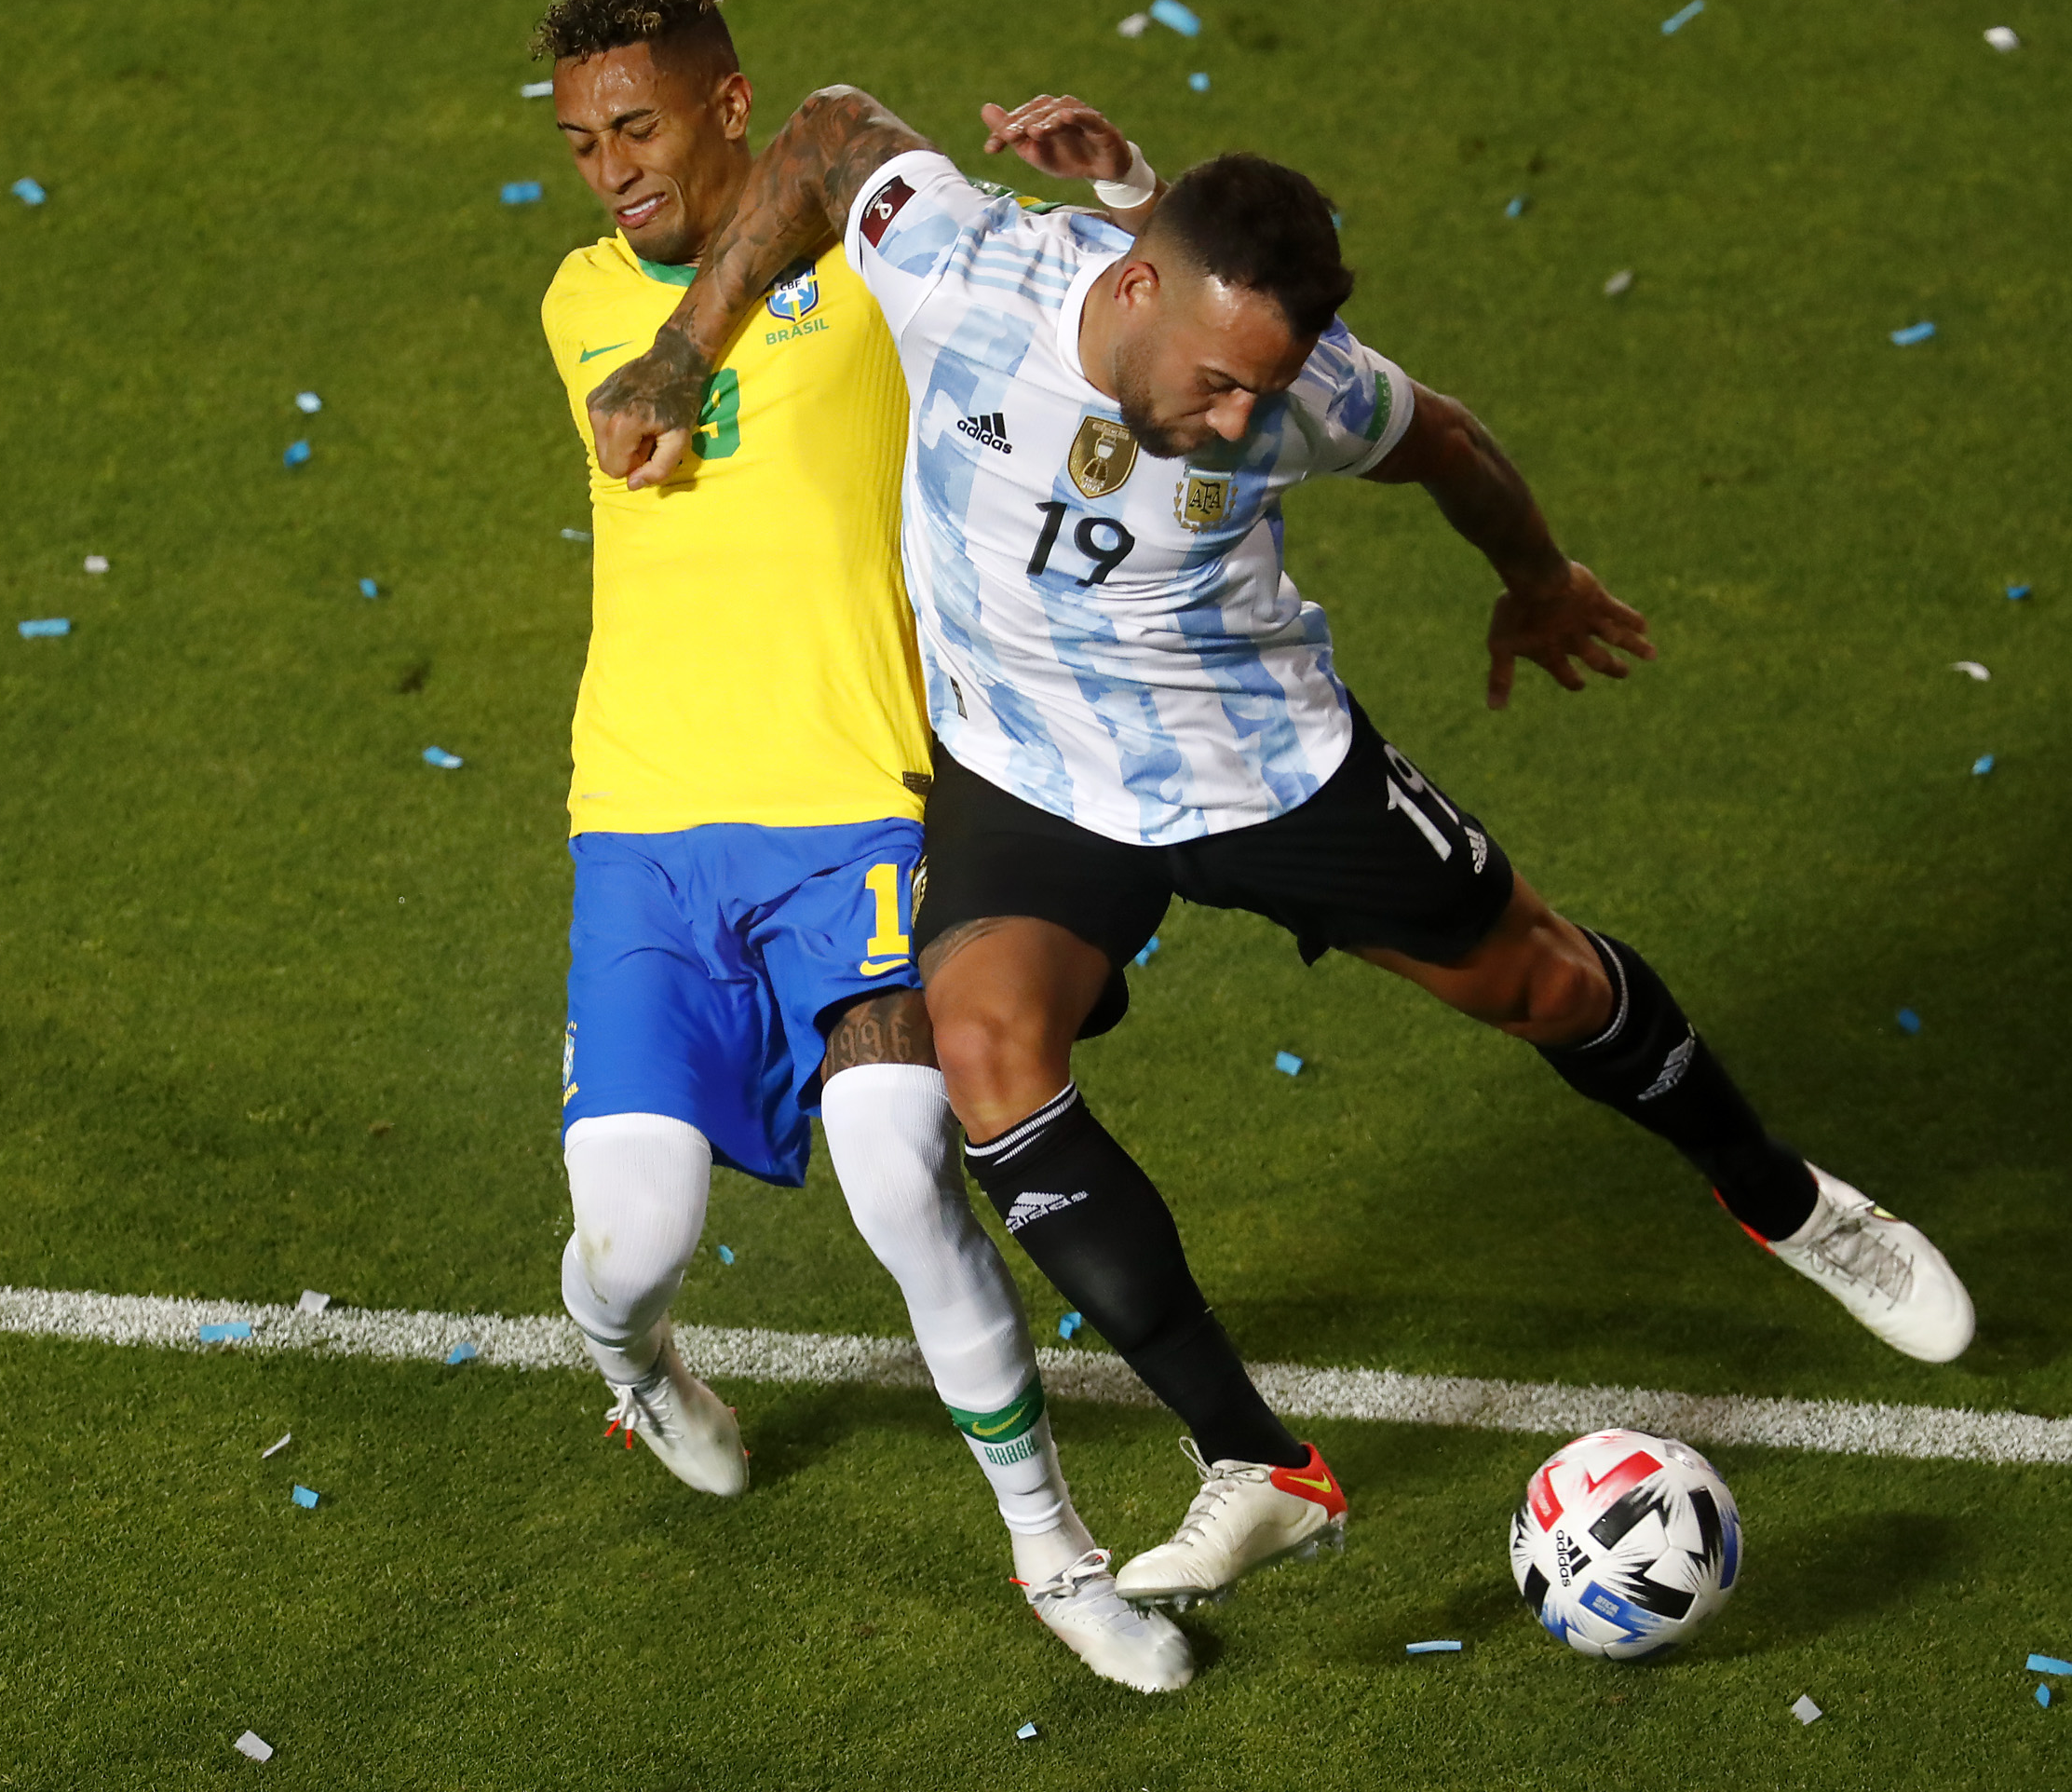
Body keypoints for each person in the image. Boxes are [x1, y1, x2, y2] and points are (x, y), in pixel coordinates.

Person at [587, 83, 1976, 1611]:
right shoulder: (964, 270)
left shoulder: (1302, 392)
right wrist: (678, 350)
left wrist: (1538, 576)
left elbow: (1440, 436)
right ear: (1130, 285)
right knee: (986, 1055)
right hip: (1034, 777)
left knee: (1545, 988)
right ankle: (1259, 1464)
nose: (1246, 419)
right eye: (1220, 383)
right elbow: (829, 134)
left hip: (1257, 763)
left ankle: (1786, 1200)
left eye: (1269, 389)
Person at [528, 0, 1191, 1690]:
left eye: (641, 126)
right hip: (649, 830)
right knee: (632, 1246)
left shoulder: (878, 276)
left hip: (863, 806)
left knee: (905, 1175)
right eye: (583, 140)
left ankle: (1059, 1562)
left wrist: (1121, 187)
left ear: (728, 107)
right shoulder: (571, 304)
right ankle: (639, 1367)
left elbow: (1079, 284)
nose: (611, 169)